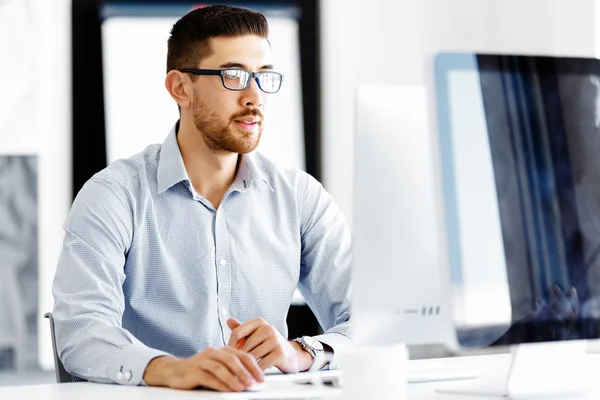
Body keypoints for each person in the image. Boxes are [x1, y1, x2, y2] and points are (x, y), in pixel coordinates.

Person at [52, 5, 352, 393]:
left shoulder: (300, 197)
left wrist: (302, 353)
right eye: (233, 76)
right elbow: (81, 330)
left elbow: (369, 321)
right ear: (180, 88)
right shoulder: (113, 195)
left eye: (264, 76)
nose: (254, 97)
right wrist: (171, 370)